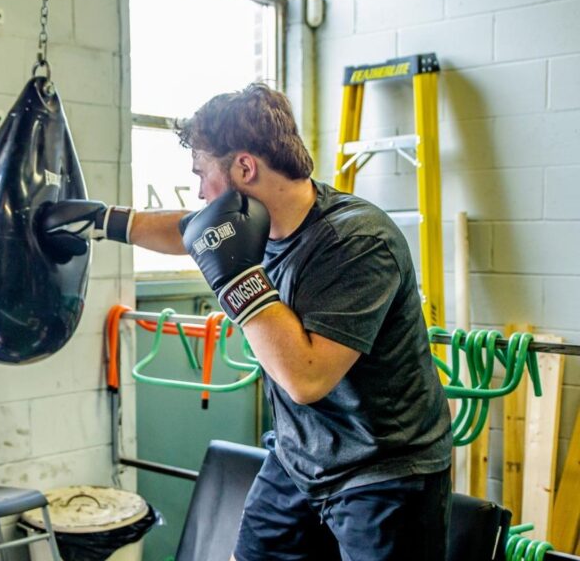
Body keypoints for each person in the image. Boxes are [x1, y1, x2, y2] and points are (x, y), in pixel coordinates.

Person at [40, 83, 452, 560]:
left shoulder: (356, 241)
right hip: (299, 460)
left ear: (244, 167)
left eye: (202, 173)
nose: (198, 190)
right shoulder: (255, 226)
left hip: (383, 472)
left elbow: (307, 377)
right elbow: (189, 230)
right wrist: (105, 221)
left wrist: (238, 277)